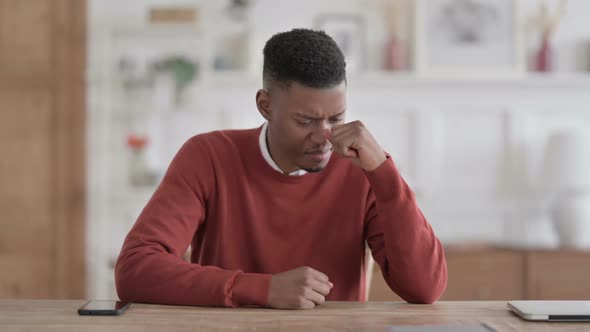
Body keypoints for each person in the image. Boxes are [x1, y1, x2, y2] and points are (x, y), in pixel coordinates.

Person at [115, 28, 447, 310]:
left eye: (336, 118)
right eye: (306, 121)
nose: (324, 137)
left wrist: (384, 174)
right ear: (265, 105)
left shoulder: (364, 168)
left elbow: (425, 289)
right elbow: (135, 270)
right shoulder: (208, 157)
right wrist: (263, 289)